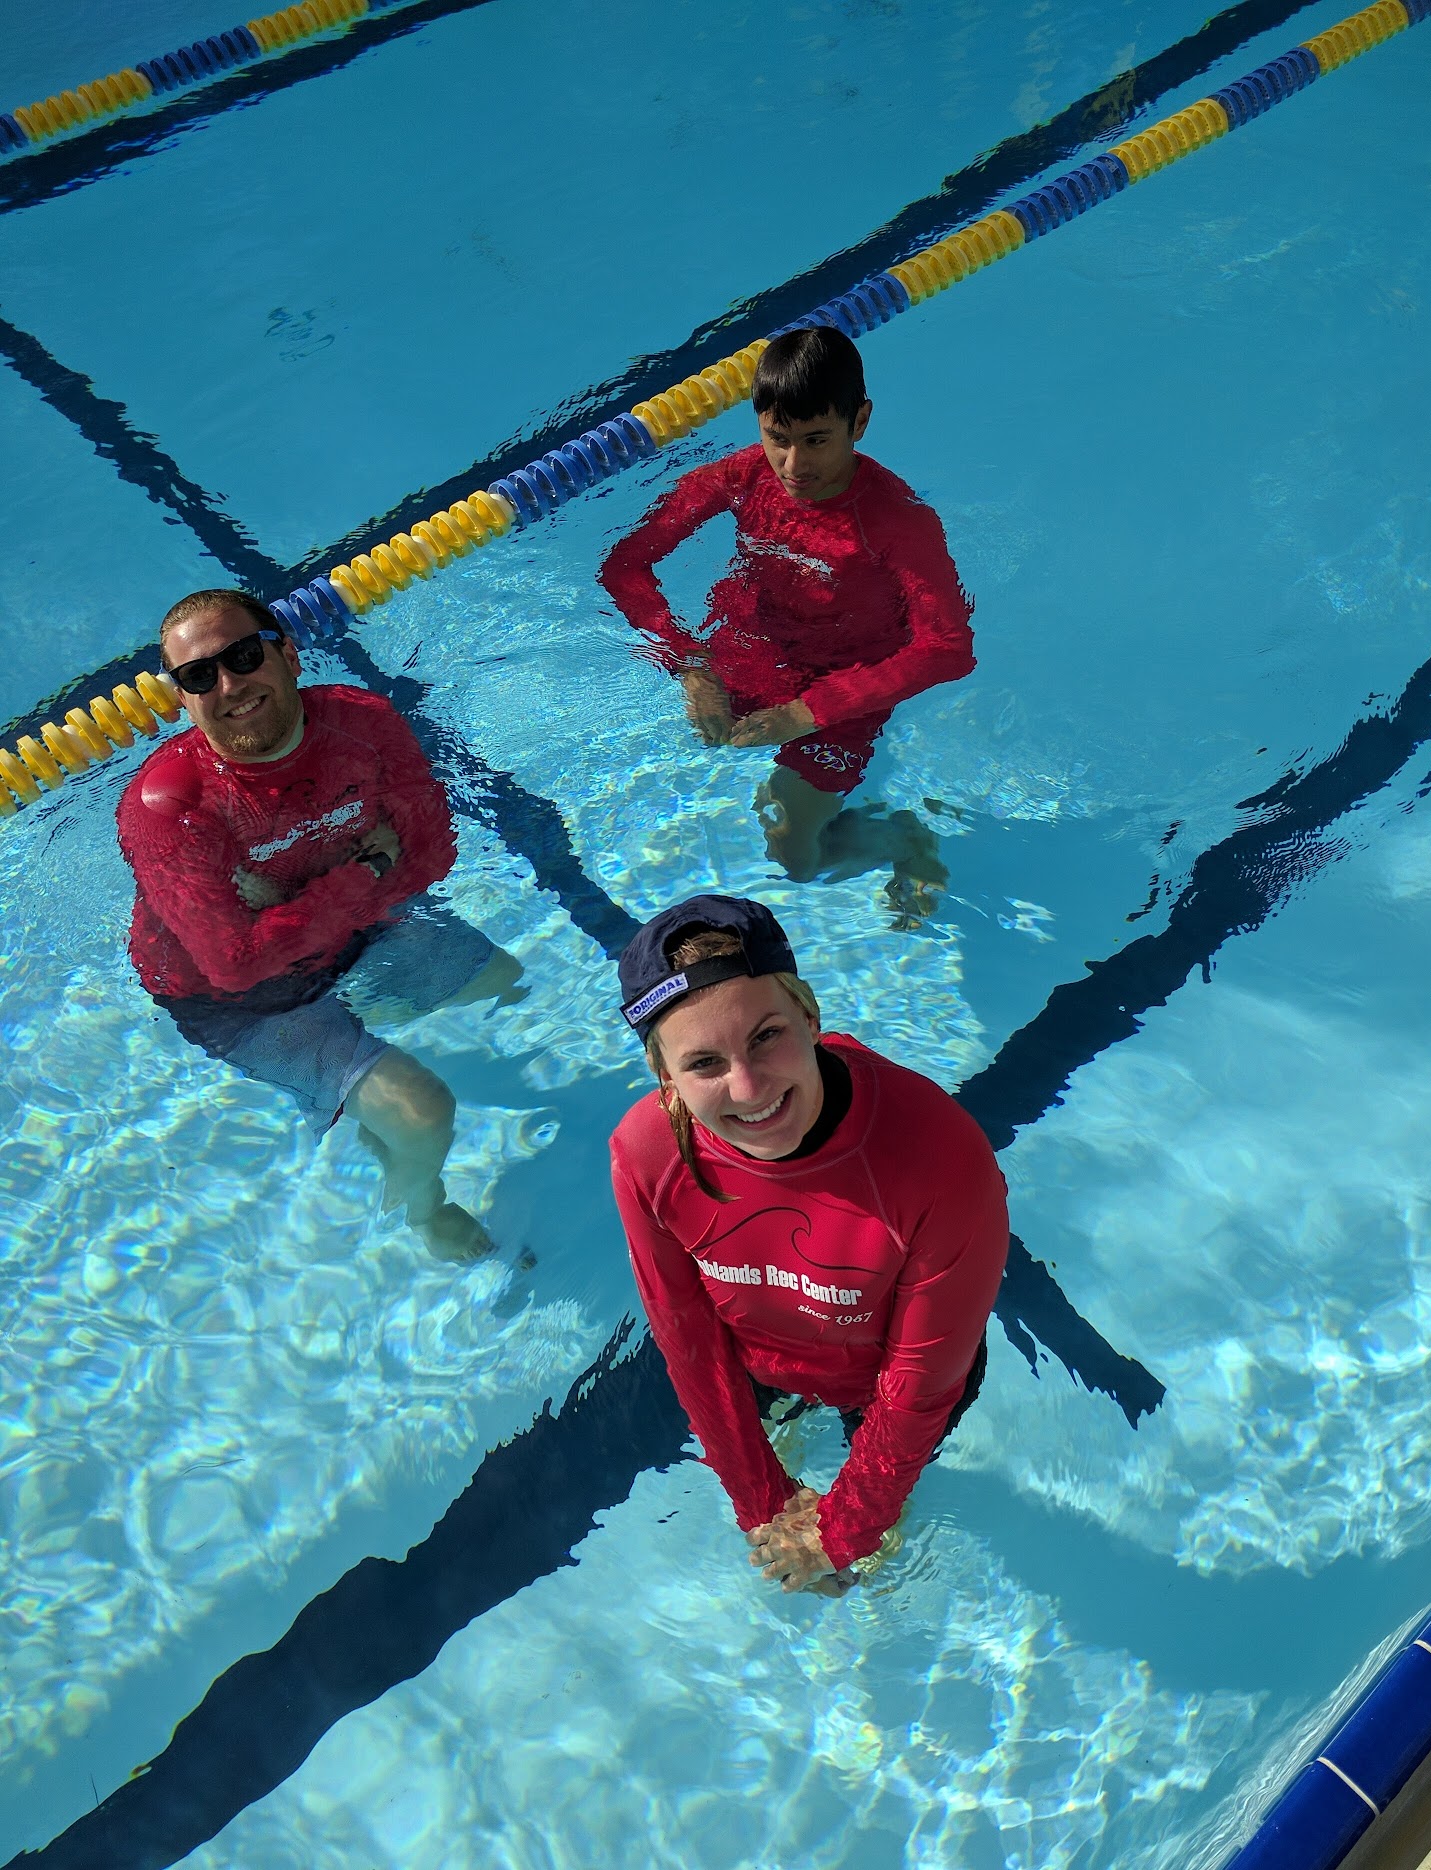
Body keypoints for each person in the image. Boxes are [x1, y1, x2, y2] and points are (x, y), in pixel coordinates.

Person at [609, 895, 1009, 1595]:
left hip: (887, 1389)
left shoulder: (939, 1158)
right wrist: (762, 1505)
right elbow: (689, 1342)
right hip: (758, 1366)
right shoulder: (647, 1156)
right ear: (665, 1078)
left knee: (873, 1556)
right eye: (704, 1062)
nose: (748, 1087)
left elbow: (919, 1388)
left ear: (811, 1018)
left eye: (767, 1036)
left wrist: (841, 1535)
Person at [116, 588, 527, 1264]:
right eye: (200, 675)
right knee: (424, 1112)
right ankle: (424, 1209)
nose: (229, 686)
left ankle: (364, 1089)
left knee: (504, 982)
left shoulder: (363, 726)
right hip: (241, 1002)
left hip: (349, 936)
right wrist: (363, 870)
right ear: (182, 699)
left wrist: (287, 902)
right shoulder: (169, 806)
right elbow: (236, 964)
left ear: (288, 653)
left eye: (243, 657)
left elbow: (432, 853)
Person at [599, 326, 976, 928]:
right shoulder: (740, 477)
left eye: (816, 440)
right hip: (749, 650)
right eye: (778, 438)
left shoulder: (900, 522)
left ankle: (901, 837)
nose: (793, 465)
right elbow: (624, 567)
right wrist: (690, 664)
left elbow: (948, 647)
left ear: (860, 422)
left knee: (794, 857)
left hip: (847, 682)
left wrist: (810, 711)